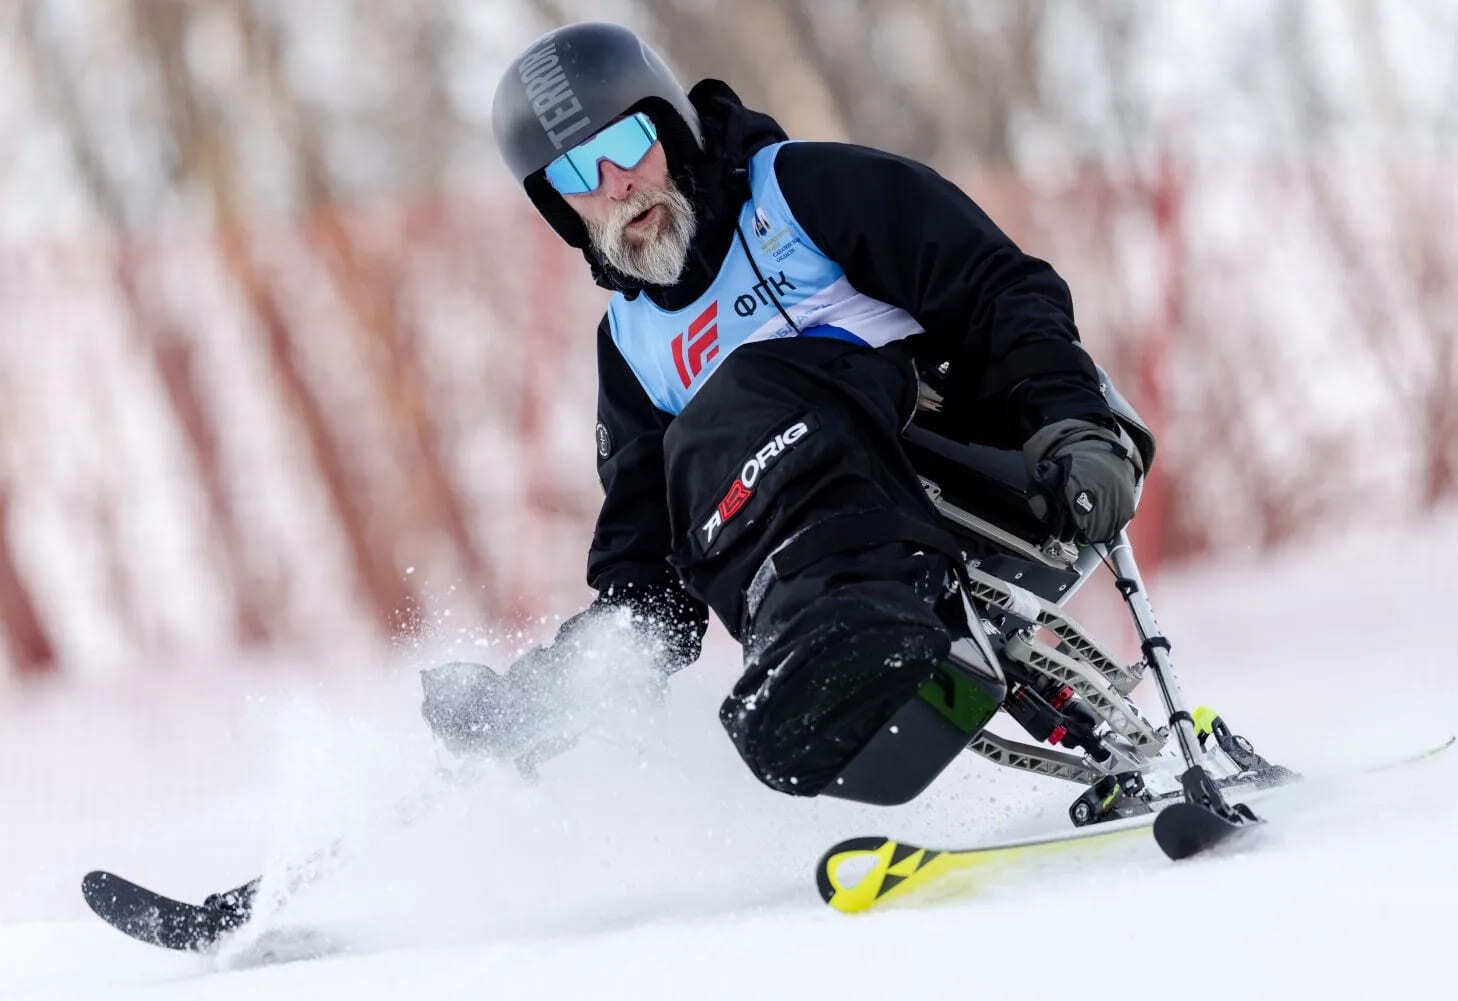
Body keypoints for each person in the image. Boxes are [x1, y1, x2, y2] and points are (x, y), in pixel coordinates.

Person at [421, 20, 1141, 802]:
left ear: (669, 125)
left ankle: (845, 612)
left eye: (626, 143)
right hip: (866, 570)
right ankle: (811, 660)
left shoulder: (801, 191)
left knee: (743, 391)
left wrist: (1072, 422)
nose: (615, 184)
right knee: (696, 459)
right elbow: (647, 569)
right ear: (558, 206)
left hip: (1009, 467)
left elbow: (997, 288)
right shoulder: (631, 348)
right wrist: (548, 696)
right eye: (574, 172)